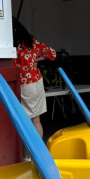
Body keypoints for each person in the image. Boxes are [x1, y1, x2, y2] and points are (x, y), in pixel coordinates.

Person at [13, 19, 56, 158]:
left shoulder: (13, 45)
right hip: (37, 81)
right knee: (36, 121)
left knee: (26, 124)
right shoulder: (31, 41)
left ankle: (27, 158)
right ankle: (39, 155)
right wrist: (36, 60)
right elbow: (52, 53)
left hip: (24, 85)